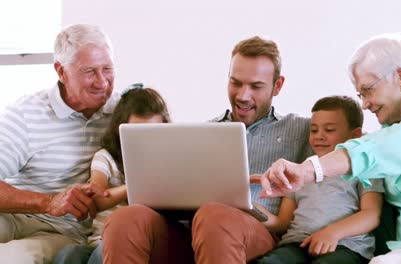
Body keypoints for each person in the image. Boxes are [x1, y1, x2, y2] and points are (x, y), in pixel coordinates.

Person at [259, 33, 401, 264]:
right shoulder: (382, 138)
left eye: (368, 90)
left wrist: (309, 169)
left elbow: (388, 147)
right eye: (360, 94)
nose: (365, 104)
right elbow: (370, 151)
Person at [101, 36, 312, 263]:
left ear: (277, 86)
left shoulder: (304, 130)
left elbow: (342, 155)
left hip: (256, 230)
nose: (243, 96)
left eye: (256, 86)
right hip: (193, 229)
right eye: (236, 83)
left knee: (215, 215)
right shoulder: (204, 132)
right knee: (127, 218)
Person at [0, 24, 119, 263]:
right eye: (89, 72)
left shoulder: (122, 114)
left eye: (107, 69)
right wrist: (48, 201)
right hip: (13, 216)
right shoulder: (25, 114)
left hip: (60, 230)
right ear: (61, 71)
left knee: (12, 259)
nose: (102, 82)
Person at [255, 95, 384, 264]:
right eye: (314, 130)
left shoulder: (363, 169)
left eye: (329, 130)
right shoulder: (300, 172)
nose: (319, 136)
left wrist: (332, 233)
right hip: (297, 244)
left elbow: (371, 214)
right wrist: (253, 210)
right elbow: (283, 222)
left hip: (344, 245)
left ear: (355, 135)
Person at [52, 86, 171, 264]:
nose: (145, 143)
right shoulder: (106, 158)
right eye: (136, 135)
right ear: (119, 131)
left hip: (131, 243)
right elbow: (98, 198)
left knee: (104, 252)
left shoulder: (167, 163)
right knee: (68, 255)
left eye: (153, 134)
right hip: (97, 239)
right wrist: (134, 186)